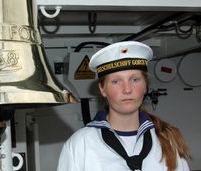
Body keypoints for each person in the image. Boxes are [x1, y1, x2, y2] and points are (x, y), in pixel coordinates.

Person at [57, 41, 191, 171]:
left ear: (145, 86)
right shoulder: (81, 144)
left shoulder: (167, 140)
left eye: (134, 79)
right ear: (102, 89)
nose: (127, 89)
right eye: (116, 81)